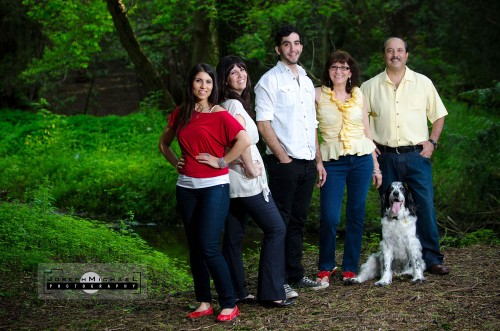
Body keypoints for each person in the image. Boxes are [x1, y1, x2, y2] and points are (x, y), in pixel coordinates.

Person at [158, 63, 252, 322]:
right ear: (191, 84)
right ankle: (203, 301)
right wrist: (175, 160)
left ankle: (229, 302)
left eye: (208, 82)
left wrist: (222, 160)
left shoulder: (219, 113)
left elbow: (244, 140)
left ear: (214, 85)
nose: (203, 86)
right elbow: (164, 143)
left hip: (214, 187)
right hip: (186, 188)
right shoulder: (181, 113)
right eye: (199, 81)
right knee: (195, 248)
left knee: (210, 246)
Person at [361, 37, 450, 276]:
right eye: (390, 51)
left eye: (399, 50)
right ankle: (396, 263)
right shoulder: (369, 87)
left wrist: (432, 142)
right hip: (386, 157)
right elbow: (360, 121)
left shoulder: (423, 83)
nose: (395, 55)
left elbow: (439, 115)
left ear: (407, 55)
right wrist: (370, 146)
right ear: (384, 55)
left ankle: (431, 259)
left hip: (416, 156)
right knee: (389, 209)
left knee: (425, 206)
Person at [254, 24, 328, 298]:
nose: (293, 48)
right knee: (280, 223)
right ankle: (278, 280)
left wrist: (318, 161)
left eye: (297, 43)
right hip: (285, 164)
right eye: (287, 43)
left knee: (298, 221)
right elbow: (263, 123)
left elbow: (313, 124)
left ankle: (294, 275)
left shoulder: (307, 82)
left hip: (309, 163)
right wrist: (284, 158)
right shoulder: (269, 81)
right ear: (278, 48)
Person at [215, 55, 292, 308]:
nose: (240, 74)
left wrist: (232, 163)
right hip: (246, 182)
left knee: (234, 236)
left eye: (243, 70)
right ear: (224, 79)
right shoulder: (234, 107)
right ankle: (271, 291)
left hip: (230, 184)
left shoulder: (227, 104)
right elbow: (239, 140)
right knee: (276, 228)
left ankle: (236, 291)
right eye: (233, 72)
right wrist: (248, 165)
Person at [314, 50, 382, 285]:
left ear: (350, 72)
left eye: (343, 67)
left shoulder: (359, 94)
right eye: (334, 67)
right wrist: (318, 161)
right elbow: (312, 131)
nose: (339, 71)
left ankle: (350, 267)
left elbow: (366, 128)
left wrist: (375, 165)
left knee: (356, 213)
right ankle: (326, 265)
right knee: (329, 216)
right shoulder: (317, 95)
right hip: (332, 161)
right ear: (328, 71)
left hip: (361, 159)